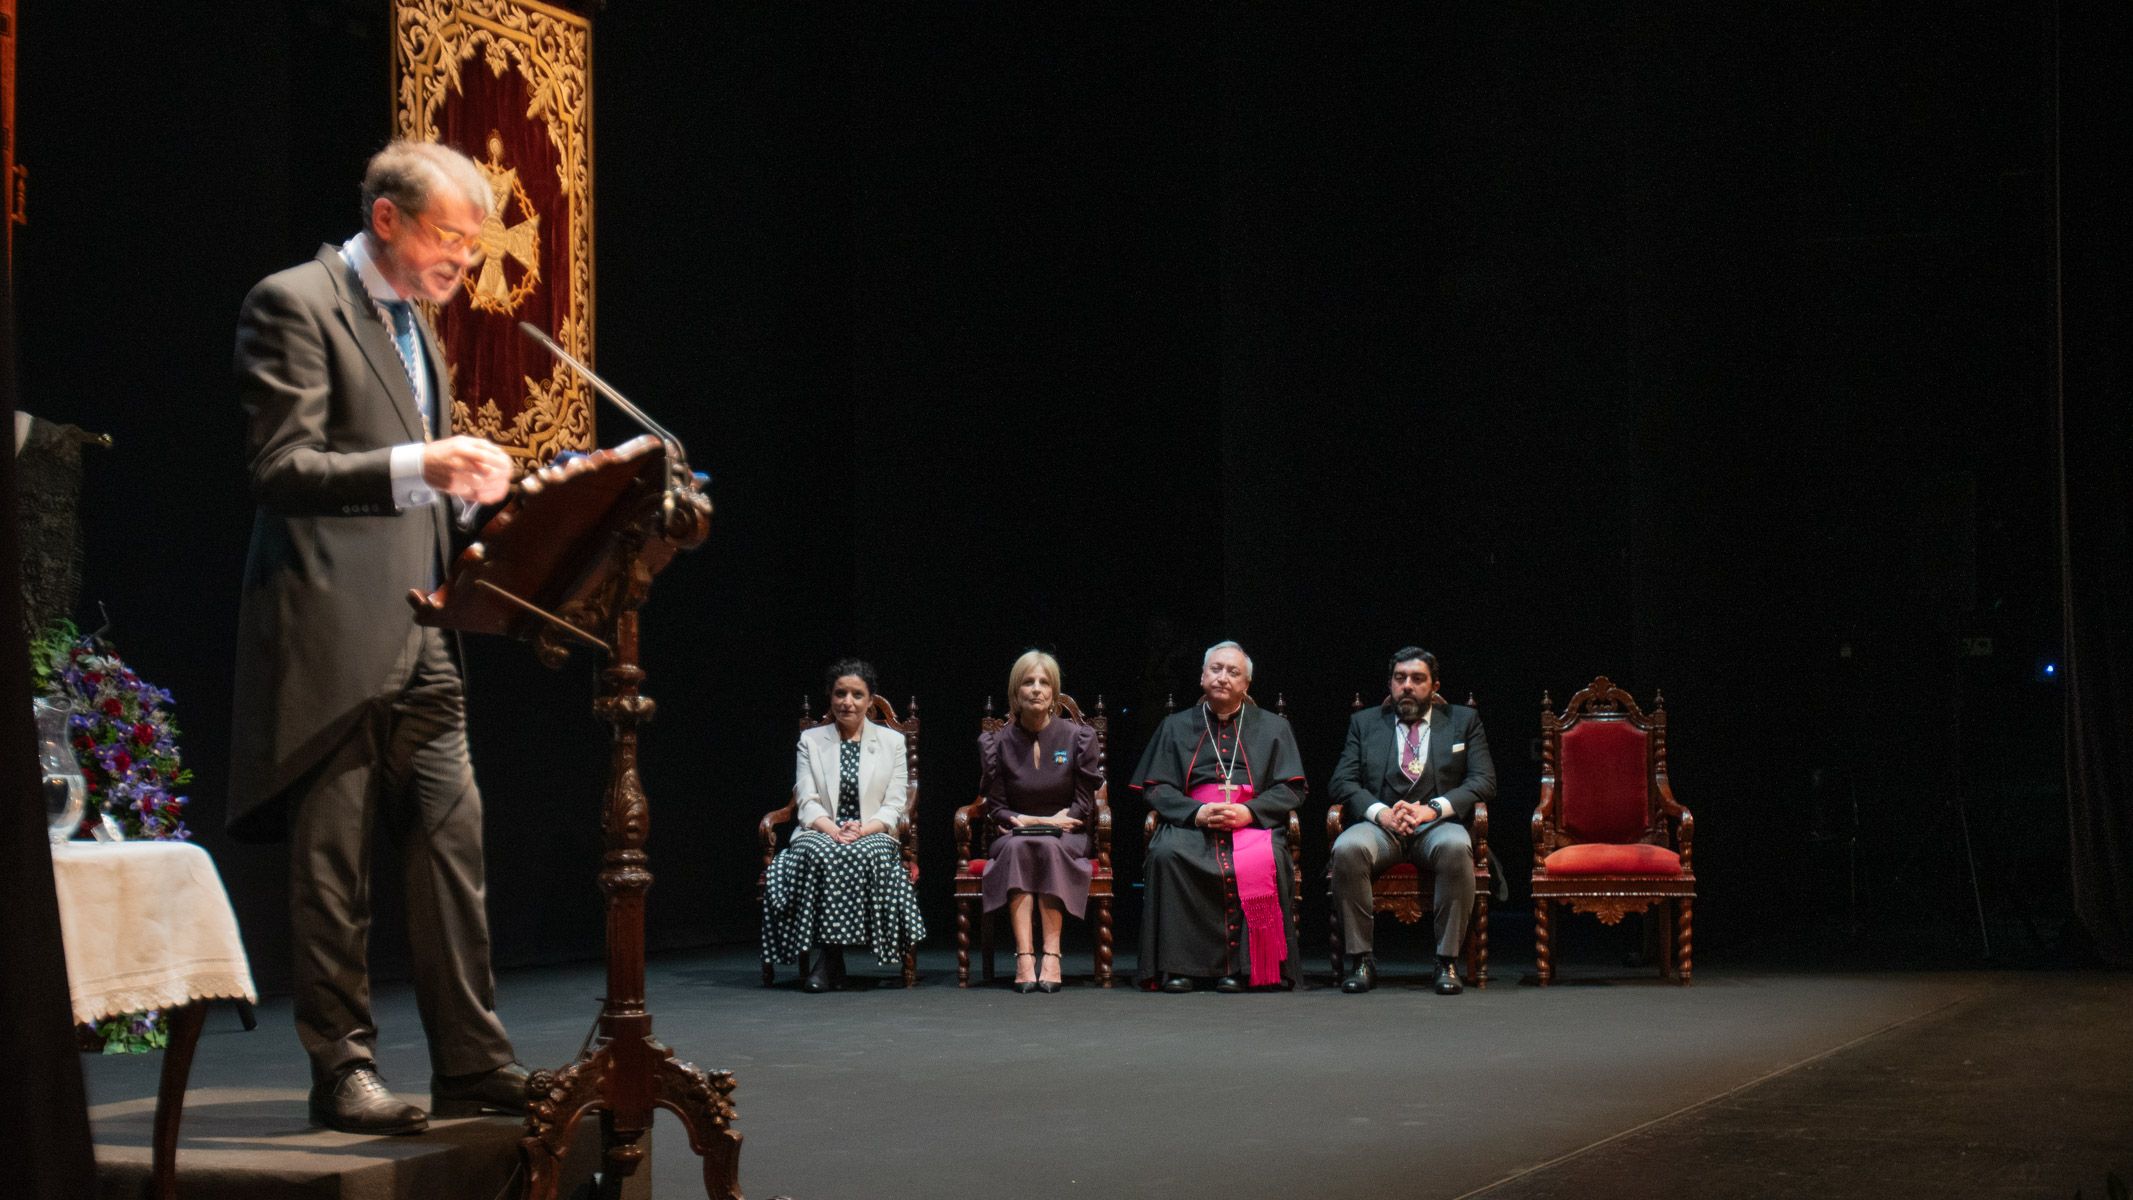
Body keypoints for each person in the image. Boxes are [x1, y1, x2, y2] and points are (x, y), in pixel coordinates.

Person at [228, 140, 526, 1134]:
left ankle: (475, 1066)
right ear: (388, 219)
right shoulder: (293, 302)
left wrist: (478, 507)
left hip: (425, 633)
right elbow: (283, 468)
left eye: (471, 248)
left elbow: (415, 484)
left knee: (454, 851)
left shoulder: (419, 331)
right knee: (334, 871)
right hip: (329, 634)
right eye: (449, 239)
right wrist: (419, 465)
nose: (462, 264)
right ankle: (342, 1069)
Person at [1133, 641, 1306, 992]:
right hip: (1193, 821)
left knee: (1270, 857)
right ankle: (1179, 968)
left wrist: (1249, 811)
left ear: (1246, 684)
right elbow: (1155, 787)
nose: (1223, 677)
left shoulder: (1273, 727)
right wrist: (1196, 812)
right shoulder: (1175, 726)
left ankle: (1244, 970)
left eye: (1233, 672)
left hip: (1251, 822)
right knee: (1166, 855)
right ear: (1201, 677)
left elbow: (1291, 789)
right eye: (1216, 669)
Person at [1328, 646, 1496, 995]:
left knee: (1455, 845)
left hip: (1435, 825)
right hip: (1380, 827)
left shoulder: (1463, 721)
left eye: (1417, 679)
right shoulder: (1365, 723)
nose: (1407, 686)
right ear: (1390, 684)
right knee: (1347, 847)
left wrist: (1431, 809)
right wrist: (1381, 813)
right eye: (1399, 678)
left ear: (1434, 685)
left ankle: (1446, 960)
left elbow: (1483, 781)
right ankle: (1361, 959)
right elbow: (1342, 781)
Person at [762, 659, 926, 992]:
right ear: (830, 696)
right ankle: (832, 959)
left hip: (874, 831)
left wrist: (862, 831)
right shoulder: (811, 740)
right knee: (823, 851)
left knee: (862, 852)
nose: (847, 702)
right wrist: (832, 830)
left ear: (869, 699)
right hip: (820, 828)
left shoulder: (891, 742)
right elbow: (806, 801)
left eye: (856, 694)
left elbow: (895, 803)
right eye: (840, 694)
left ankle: (829, 962)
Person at [976, 650, 1103, 993]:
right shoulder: (997, 742)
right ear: (1015, 693)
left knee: (1046, 845)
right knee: (1021, 848)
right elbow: (996, 805)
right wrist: (1024, 820)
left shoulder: (1078, 737)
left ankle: (1052, 955)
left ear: (1054, 693)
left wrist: (1063, 820)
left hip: (1066, 834)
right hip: (1015, 832)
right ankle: (1024, 956)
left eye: (1043, 682)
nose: (1036, 689)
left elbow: (1084, 800)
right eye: (1028, 682)